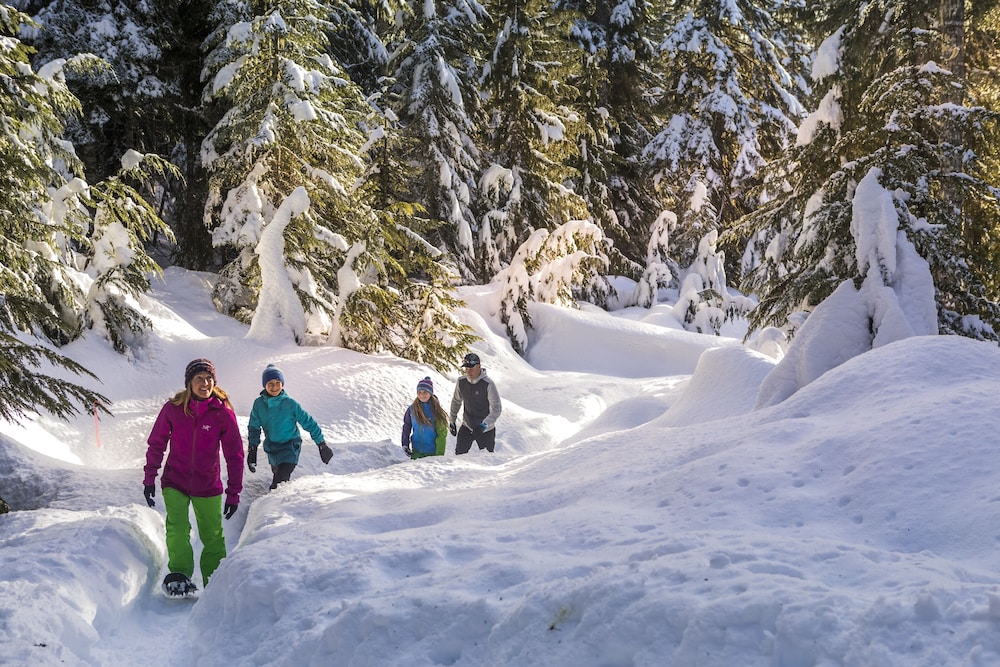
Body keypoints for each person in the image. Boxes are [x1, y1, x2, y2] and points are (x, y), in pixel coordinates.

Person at [143, 358, 244, 597]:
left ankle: (214, 582)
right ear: (189, 382)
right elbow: (157, 444)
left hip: (207, 484)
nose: (205, 383)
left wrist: (234, 493)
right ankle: (179, 575)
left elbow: (235, 455)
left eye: (209, 379)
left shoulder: (222, 413)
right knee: (177, 528)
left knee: (213, 535)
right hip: (175, 481)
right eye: (199, 378)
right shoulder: (173, 409)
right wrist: (149, 478)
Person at [246, 363, 333, 490]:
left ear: (282, 384)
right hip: (272, 448)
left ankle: (275, 501)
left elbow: (309, 423)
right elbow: (254, 427)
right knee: (279, 477)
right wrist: (252, 449)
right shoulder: (259, 404)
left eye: (278, 383)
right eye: (270, 383)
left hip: (290, 447)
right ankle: (282, 498)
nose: (274, 387)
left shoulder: (290, 404)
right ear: (264, 385)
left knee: (278, 483)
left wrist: (322, 444)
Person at [449, 352, 502, 454]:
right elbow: (456, 401)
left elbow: (496, 408)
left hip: (486, 429)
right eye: (466, 368)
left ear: (479, 366)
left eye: (471, 368)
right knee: (459, 456)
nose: (468, 371)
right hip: (467, 425)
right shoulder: (461, 382)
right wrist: (452, 420)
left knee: (488, 459)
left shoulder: (488, 384)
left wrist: (484, 425)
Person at [401, 376, 448, 459]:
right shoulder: (412, 409)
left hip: (432, 452)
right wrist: (405, 444)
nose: (422, 395)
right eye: (419, 392)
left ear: (430, 393)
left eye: (425, 392)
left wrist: (439, 455)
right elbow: (407, 426)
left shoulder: (436, 411)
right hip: (416, 451)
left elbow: (441, 434)